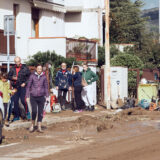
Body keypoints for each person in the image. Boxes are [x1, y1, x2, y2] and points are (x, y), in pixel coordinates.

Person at [26, 64, 49, 133]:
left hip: (41, 97)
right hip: (33, 96)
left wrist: (47, 96)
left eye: (40, 69)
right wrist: (27, 96)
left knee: (40, 112)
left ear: (42, 70)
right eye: (38, 68)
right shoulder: (32, 76)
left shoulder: (44, 77)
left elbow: (46, 87)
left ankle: (39, 126)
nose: (39, 70)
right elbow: (28, 87)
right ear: (36, 69)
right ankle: (32, 125)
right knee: (34, 111)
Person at [8, 56, 31, 121]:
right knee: (15, 102)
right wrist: (12, 78)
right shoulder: (12, 68)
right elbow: (8, 76)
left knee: (23, 100)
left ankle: (28, 113)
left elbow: (29, 78)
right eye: (16, 62)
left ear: (20, 61)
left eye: (18, 61)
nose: (17, 63)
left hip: (22, 86)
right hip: (15, 87)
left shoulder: (25, 68)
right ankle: (16, 116)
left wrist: (25, 83)